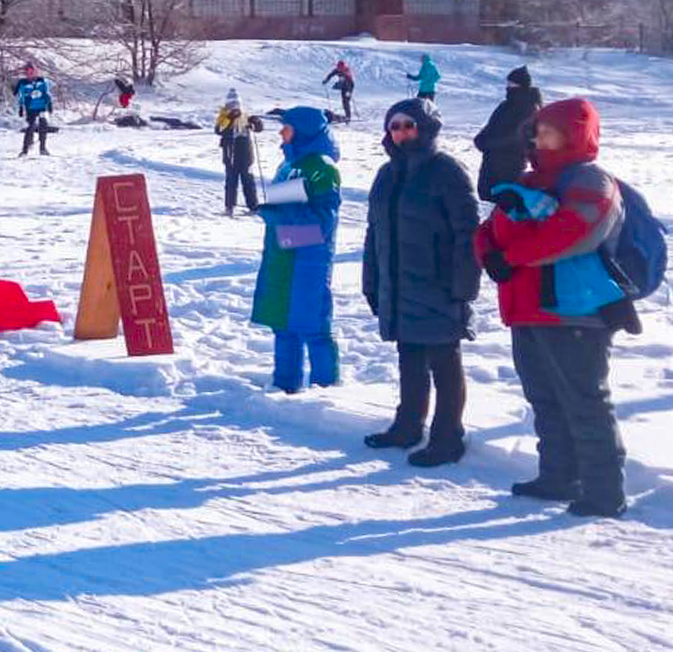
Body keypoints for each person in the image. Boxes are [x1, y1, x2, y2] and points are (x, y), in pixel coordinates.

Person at [475, 97, 633, 518]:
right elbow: (488, 228)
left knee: (584, 400)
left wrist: (510, 257)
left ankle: (604, 490)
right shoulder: (529, 180)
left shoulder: (591, 180)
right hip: (526, 307)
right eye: (539, 131)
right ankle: (558, 475)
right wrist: (488, 250)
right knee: (544, 398)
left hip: (574, 309)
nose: (540, 139)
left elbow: (572, 233)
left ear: (575, 133)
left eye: (550, 131)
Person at [361, 98, 481, 465]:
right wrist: (372, 280)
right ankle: (408, 425)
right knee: (409, 358)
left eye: (408, 125)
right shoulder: (386, 174)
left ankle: (448, 437)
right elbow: (375, 232)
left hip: (438, 285)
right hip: (399, 284)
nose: (401, 133)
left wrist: (463, 286)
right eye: (395, 127)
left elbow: (468, 234)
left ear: (426, 129)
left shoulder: (447, 171)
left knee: (444, 361)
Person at [252, 107, 342, 393]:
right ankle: (284, 385)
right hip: (283, 258)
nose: (281, 132)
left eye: (286, 127)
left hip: (308, 263)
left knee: (313, 327)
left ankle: (325, 391)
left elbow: (322, 225)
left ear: (303, 130)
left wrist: (277, 217)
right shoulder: (288, 165)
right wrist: (276, 219)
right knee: (284, 325)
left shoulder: (322, 168)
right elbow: (286, 213)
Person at [473, 65, 543, 203]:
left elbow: (519, 137)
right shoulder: (505, 105)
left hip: (511, 162)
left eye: (512, 84)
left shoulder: (529, 107)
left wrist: (490, 144)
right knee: (488, 194)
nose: (508, 87)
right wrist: (481, 138)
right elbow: (492, 125)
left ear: (521, 85)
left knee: (506, 199)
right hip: (491, 159)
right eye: (508, 83)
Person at [215, 89, 261, 216]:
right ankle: (229, 206)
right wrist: (229, 119)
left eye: (236, 103)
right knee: (231, 181)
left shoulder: (245, 115)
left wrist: (256, 122)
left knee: (248, 180)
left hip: (245, 152)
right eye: (231, 104)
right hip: (230, 153)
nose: (234, 107)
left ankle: (253, 206)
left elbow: (257, 128)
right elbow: (219, 130)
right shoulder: (223, 115)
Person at [15, 64, 53, 157]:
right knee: (30, 127)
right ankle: (25, 150)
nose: (30, 74)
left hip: (41, 107)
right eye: (28, 72)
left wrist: (49, 104)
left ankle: (43, 148)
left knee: (43, 125)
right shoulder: (23, 83)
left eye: (32, 71)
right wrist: (21, 107)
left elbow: (47, 93)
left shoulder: (42, 81)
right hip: (30, 108)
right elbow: (20, 95)